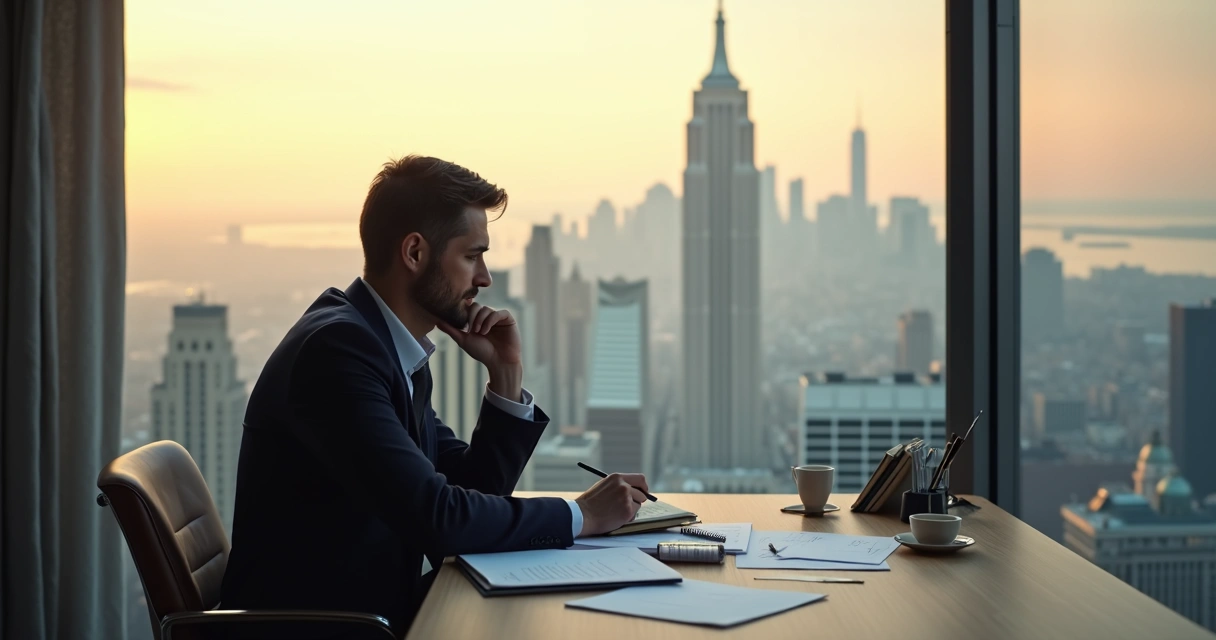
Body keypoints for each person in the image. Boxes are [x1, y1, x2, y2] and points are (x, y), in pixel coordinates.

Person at [219, 155, 650, 634]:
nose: (484, 278)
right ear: (415, 253)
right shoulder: (338, 354)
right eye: (472, 256)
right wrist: (582, 514)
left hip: (375, 616)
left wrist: (505, 375)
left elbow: (469, 495)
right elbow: (441, 520)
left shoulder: (386, 348)